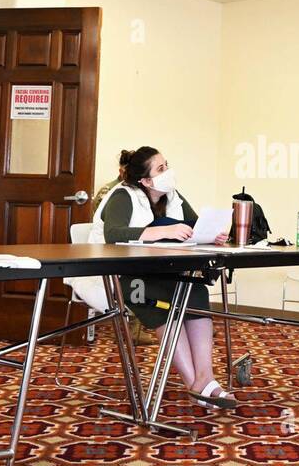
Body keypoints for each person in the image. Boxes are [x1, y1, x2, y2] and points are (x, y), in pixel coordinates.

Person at [89, 147, 236, 409]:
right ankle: (196, 385)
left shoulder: (173, 196)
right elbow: (114, 234)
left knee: (196, 290)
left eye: (166, 165)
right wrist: (162, 230)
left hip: (163, 271)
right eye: (160, 169)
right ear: (145, 181)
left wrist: (212, 235)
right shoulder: (123, 196)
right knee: (165, 302)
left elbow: (194, 225)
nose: (168, 172)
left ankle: (205, 377)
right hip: (125, 277)